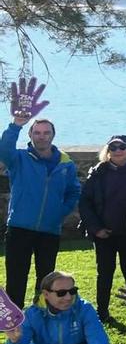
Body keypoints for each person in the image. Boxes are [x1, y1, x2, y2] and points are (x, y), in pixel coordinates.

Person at [2, 108, 80, 308]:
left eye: (46, 133)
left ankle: (41, 315)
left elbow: (73, 192)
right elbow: (3, 150)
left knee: (46, 281)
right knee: (16, 279)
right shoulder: (19, 159)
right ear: (30, 135)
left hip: (49, 230)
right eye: (37, 132)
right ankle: (15, 320)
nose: (42, 137)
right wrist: (16, 125)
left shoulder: (66, 164)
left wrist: (60, 212)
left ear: (53, 135)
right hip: (20, 227)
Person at [78, 134, 126, 323]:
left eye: (122, 147)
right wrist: (96, 228)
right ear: (107, 151)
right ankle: (102, 312)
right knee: (104, 273)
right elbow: (85, 202)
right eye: (113, 147)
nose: (117, 151)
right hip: (104, 234)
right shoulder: (98, 172)